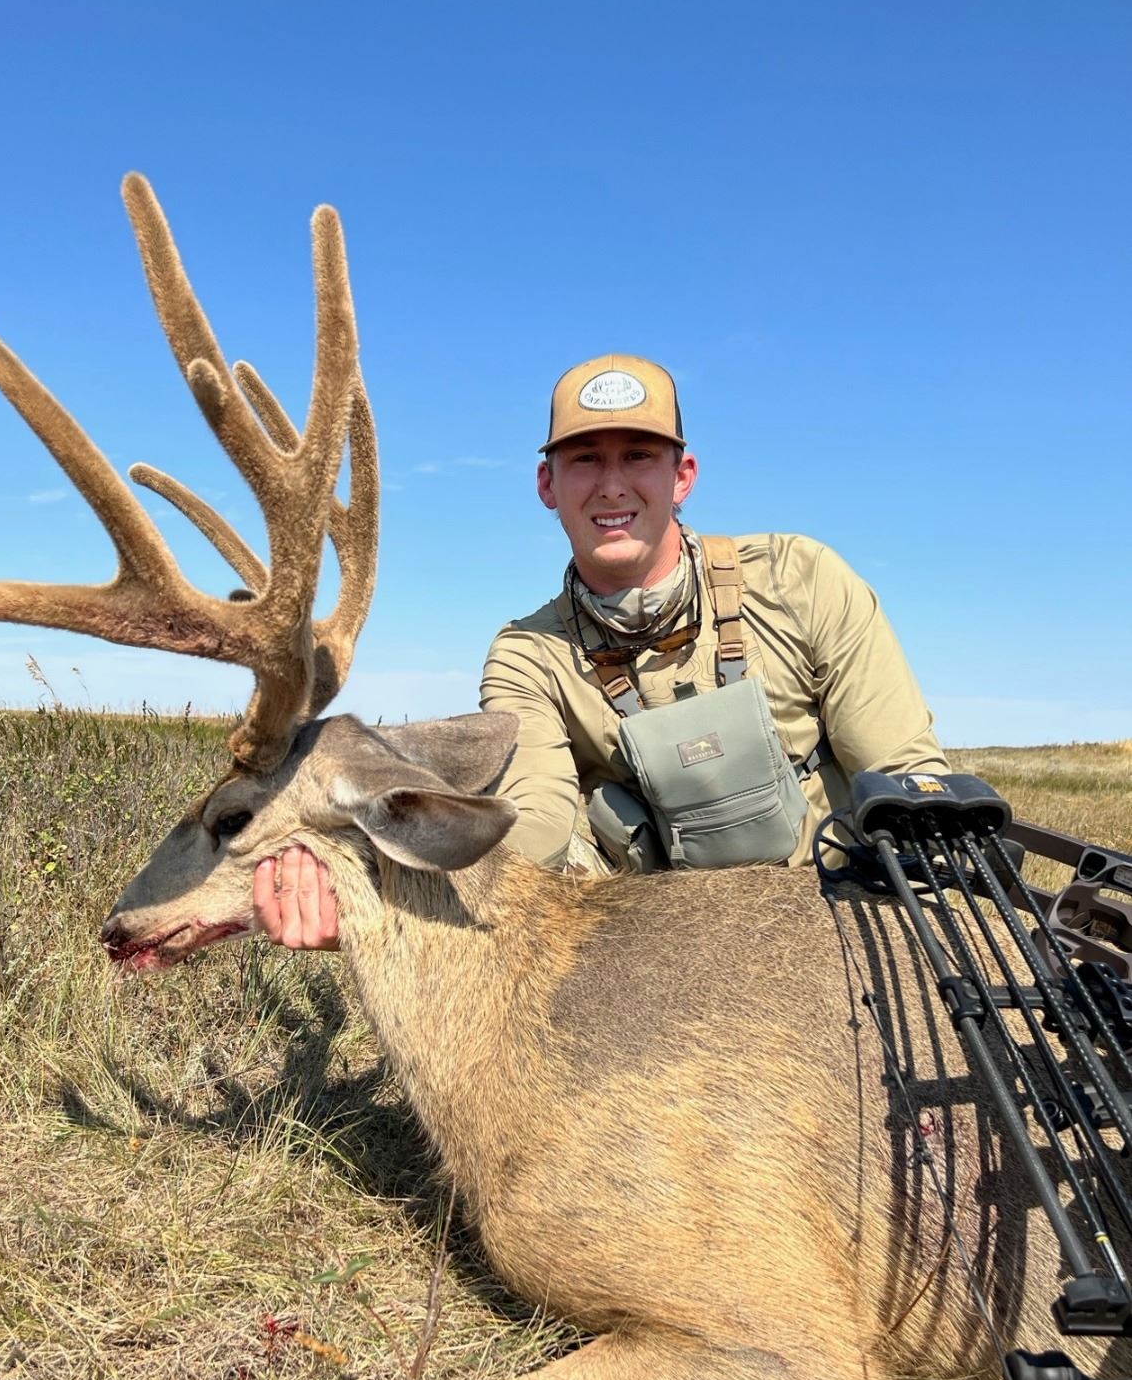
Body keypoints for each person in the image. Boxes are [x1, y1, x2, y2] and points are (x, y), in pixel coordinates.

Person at [256, 353, 947, 945]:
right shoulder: (529, 654)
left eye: (638, 455)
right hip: (660, 953)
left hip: (837, 921)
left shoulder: (800, 580)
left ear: (683, 475)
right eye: (585, 458)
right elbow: (534, 828)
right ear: (547, 484)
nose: (612, 484)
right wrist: (370, 884)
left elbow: (906, 774)